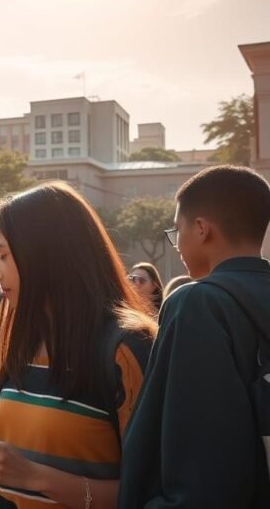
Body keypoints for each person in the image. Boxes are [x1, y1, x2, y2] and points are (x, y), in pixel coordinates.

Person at [0, 181, 156, 509]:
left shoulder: (127, 348)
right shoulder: (23, 337)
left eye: (3, 255)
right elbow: (22, 449)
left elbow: (150, 490)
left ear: (44, 252)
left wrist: (36, 478)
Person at [119, 165, 270, 508]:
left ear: (201, 229)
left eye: (178, 230)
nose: (177, 245)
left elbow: (199, 475)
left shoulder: (197, 303)